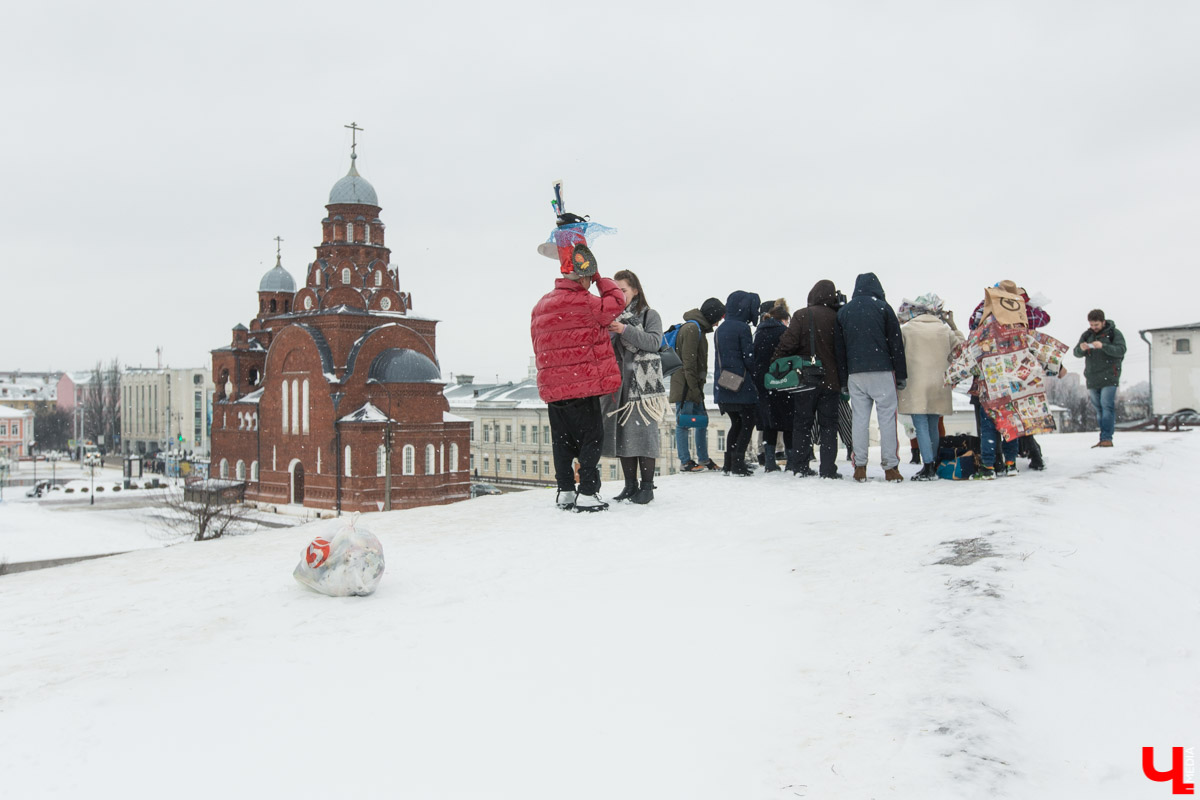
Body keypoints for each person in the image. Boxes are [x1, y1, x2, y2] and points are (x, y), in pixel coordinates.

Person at [530, 204, 626, 511]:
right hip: (582, 387)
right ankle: (587, 493)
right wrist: (599, 276)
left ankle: (566, 492)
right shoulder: (588, 301)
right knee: (590, 439)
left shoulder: (541, 305)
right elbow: (617, 301)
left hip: (554, 389)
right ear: (583, 277)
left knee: (562, 442)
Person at [946, 286, 1069, 479]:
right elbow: (1040, 349)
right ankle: (1011, 464)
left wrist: (951, 377)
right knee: (1011, 426)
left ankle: (988, 467)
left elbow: (968, 357)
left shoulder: (983, 333)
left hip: (990, 390)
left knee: (988, 428)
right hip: (1015, 388)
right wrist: (1058, 367)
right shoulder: (1020, 330)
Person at [834, 273, 907, 483]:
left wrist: (842, 380)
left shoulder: (844, 312)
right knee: (887, 420)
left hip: (855, 373)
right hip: (883, 371)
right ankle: (891, 467)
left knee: (859, 420)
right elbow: (896, 345)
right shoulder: (884, 308)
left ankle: (860, 467)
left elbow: (839, 350)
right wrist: (900, 375)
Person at [601, 270, 665, 504]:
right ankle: (630, 486)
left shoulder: (650, 315)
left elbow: (653, 343)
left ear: (635, 290)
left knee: (644, 435)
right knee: (623, 436)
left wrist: (624, 330)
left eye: (623, 290)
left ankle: (647, 488)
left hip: (643, 386)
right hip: (617, 385)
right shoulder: (611, 317)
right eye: (616, 290)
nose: (619, 294)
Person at [773, 279, 844, 479]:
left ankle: (801, 466)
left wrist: (776, 363)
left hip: (806, 379)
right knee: (829, 425)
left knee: (802, 423)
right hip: (831, 380)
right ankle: (828, 468)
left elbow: (787, 343)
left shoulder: (802, 315)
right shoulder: (837, 317)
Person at [895, 294, 964, 481]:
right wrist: (953, 325)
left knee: (920, 425)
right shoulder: (944, 330)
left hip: (915, 383)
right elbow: (961, 349)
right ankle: (933, 463)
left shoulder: (907, 330)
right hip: (938, 382)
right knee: (933, 423)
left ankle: (927, 466)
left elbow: (897, 354)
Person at [670, 297, 725, 472]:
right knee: (683, 423)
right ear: (711, 316)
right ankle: (685, 461)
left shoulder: (696, 328)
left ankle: (703, 458)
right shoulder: (693, 329)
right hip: (687, 385)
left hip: (693, 384)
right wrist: (693, 389)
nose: (717, 324)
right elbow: (689, 363)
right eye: (717, 319)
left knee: (702, 421)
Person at [714, 290, 761, 476]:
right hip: (742, 387)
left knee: (736, 424)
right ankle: (738, 463)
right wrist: (756, 374)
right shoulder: (743, 328)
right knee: (748, 423)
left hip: (724, 384)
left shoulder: (721, 329)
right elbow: (748, 358)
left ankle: (729, 463)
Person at [1073, 309, 1127, 448]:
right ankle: (1103, 436)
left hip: (1110, 376)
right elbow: (1076, 352)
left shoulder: (1114, 333)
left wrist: (1104, 346)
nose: (1094, 327)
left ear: (1103, 322)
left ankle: (1107, 438)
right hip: (1092, 377)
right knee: (1099, 409)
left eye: (1096, 324)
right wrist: (1082, 348)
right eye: (1092, 325)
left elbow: (1121, 350)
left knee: (1106, 406)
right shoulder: (1087, 335)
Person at [751, 299, 793, 472]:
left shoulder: (759, 332)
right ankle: (791, 461)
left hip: (762, 383)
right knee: (788, 422)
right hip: (781, 381)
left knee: (769, 422)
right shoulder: (784, 332)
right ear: (783, 320)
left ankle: (769, 462)